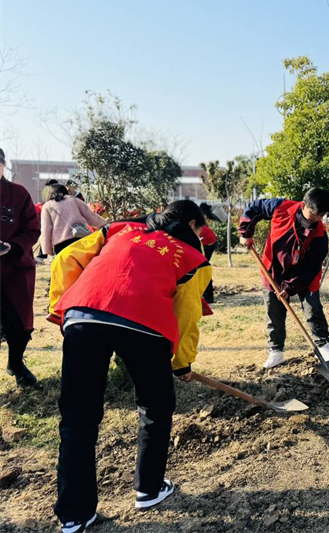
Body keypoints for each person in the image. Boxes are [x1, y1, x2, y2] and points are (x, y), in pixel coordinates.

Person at [48, 200, 212, 532]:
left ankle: (74, 515)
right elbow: (187, 313)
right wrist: (182, 363)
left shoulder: (119, 228)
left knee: (78, 418)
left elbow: (66, 257)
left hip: (83, 315)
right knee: (156, 404)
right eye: (201, 228)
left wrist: (64, 306)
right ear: (193, 225)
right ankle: (148, 489)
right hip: (144, 324)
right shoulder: (192, 257)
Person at [238, 188, 329, 369]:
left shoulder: (320, 236)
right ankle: (276, 351)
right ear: (304, 204)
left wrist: (290, 288)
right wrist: (246, 233)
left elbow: (311, 267)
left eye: (322, 215)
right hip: (273, 269)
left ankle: (324, 346)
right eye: (315, 213)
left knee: (312, 307)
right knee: (274, 310)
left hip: (303, 275)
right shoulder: (281, 208)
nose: (317, 218)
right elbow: (254, 208)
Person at [0, 148, 41, 387]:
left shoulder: (18, 194)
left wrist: (13, 246)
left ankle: (16, 363)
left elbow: (31, 229)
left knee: (19, 322)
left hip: (15, 269)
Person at [40, 184, 106, 257]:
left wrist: (47, 250)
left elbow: (46, 230)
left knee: (68, 267)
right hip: (81, 239)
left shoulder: (47, 206)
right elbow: (91, 217)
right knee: (84, 265)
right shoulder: (74, 200)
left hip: (61, 245)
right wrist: (104, 224)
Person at [198, 203, 220, 304]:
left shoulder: (193, 220)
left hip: (208, 244)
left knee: (202, 268)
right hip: (207, 242)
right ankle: (205, 294)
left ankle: (208, 296)